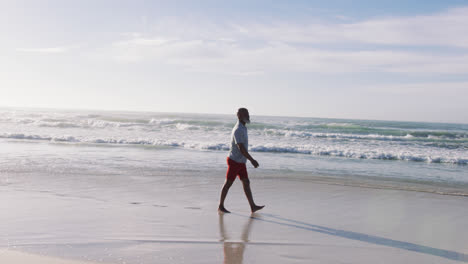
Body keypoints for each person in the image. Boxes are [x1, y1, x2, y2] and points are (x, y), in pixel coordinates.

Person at [218, 108, 264, 213]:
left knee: (246, 182)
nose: (248, 116)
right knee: (228, 183)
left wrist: (247, 160)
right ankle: (220, 206)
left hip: (241, 162)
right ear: (239, 115)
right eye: (245, 114)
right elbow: (241, 148)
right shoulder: (238, 129)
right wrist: (252, 160)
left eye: (248, 114)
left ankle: (253, 206)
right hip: (234, 161)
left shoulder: (243, 127)